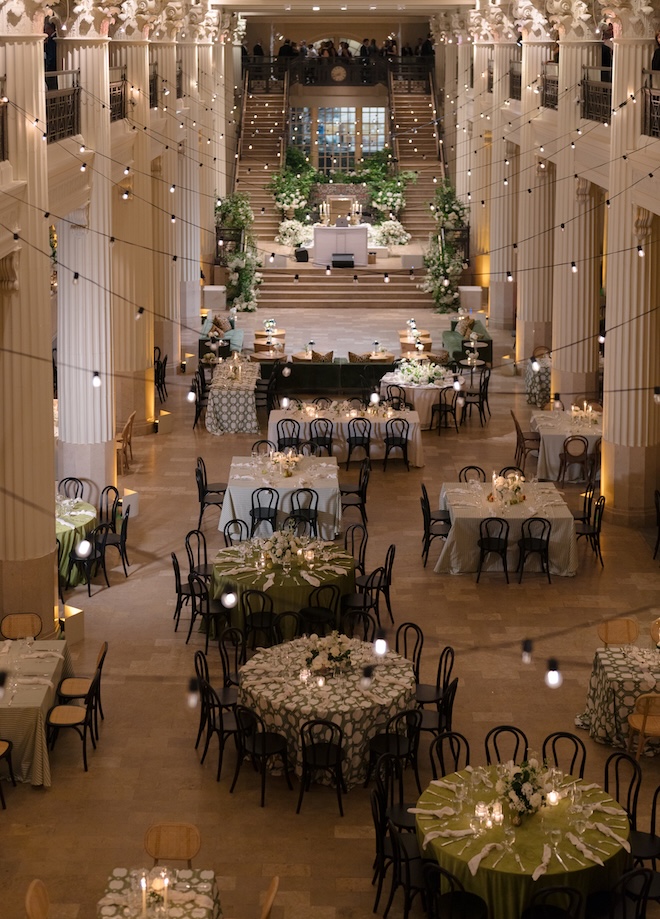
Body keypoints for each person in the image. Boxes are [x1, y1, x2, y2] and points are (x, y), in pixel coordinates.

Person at [44, 21, 57, 90]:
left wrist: (48, 67)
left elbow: (51, 55)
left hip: (51, 68)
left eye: (46, 29)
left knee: (52, 86)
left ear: (50, 29)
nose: (45, 31)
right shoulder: (51, 39)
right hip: (53, 67)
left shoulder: (52, 40)